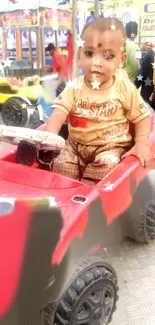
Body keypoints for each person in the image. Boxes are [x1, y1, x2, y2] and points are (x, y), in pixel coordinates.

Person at [46, 17, 152, 182]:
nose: (96, 62)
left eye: (108, 56)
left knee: (108, 166)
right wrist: (49, 137)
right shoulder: (74, 87)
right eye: (89, 53)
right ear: (79, 55)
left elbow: (144, 117)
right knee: (60, 165)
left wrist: (142, 142)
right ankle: (66, 201)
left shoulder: (124, 88)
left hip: (111, 147)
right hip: (75, 146)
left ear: (121, 60)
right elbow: (58, 114)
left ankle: (91, 197)